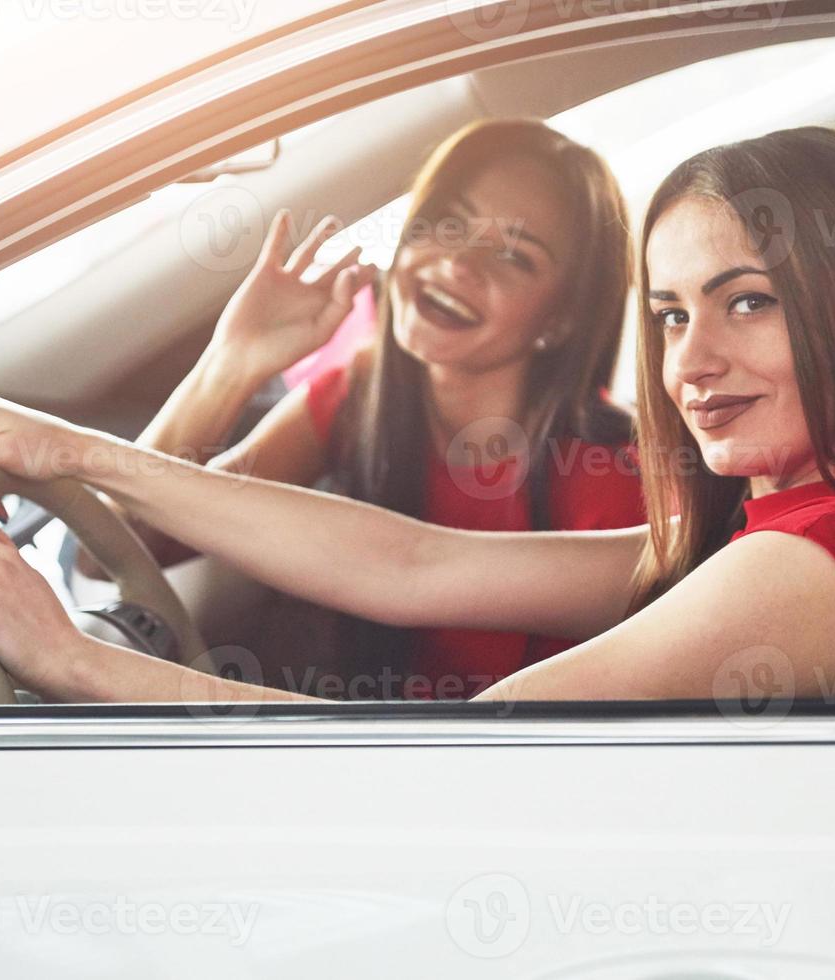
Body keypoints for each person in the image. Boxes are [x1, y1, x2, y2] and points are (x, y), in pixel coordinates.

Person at [0, 126, 835, 705]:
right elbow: (410, 565)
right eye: (668, 313)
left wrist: (77, 660)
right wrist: (69, 445)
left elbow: (453, 762)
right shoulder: (828, 513)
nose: (689, 361)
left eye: (748, 301)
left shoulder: (816, 555)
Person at [75, 118, 644, 697]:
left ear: (561, 319)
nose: (458, 264)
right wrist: (231, 363)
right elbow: (112, 553)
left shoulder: (617, 475)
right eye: (448, 225)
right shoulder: (360, 397)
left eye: (514, 256)